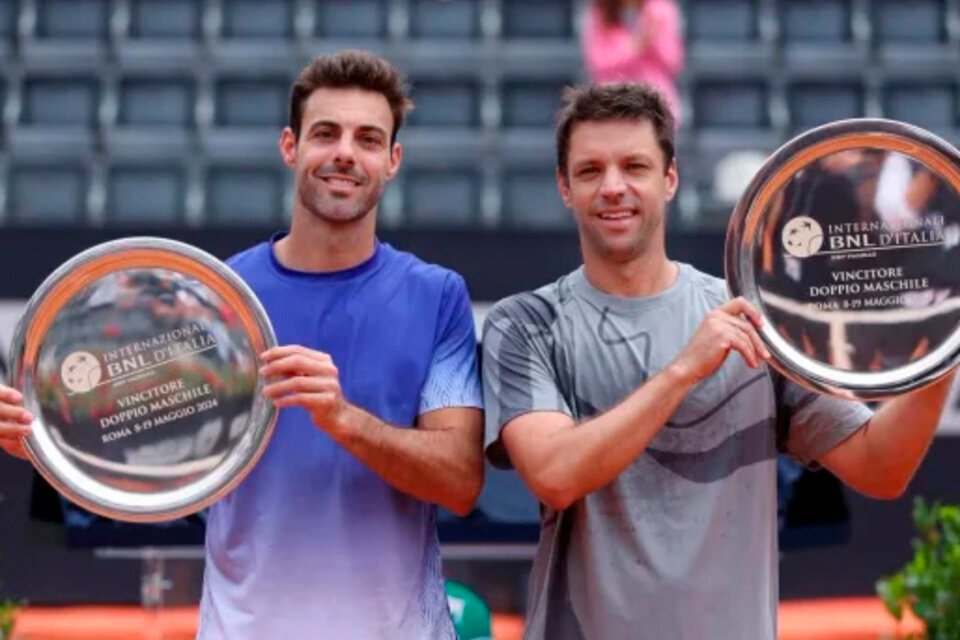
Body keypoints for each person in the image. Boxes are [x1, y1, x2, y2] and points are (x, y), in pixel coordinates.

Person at [0, 50, 485, 639]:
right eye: (325, 133)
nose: (344, 154)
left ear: (392, 160)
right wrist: (53, 439)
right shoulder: (212, 299)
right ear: (290, 147)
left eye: (367, 138)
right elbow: (147, 447)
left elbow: (460, 482)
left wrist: (343, 419)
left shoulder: (438, 297)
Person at [480, 82, 956, 640]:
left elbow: (882, 467)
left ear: (670, 178)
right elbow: (556, 476)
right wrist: (684, 370)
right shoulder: (526, 323)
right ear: (564, 186)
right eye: (590, 171)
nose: (613, 187)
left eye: (634, 166)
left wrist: (943, 336)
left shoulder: (761, 321)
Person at [582, 0, 684, 120]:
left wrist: (654, 39)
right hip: (613, 106)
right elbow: (598, 63)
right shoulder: (600, 12)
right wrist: (636, 46)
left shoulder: (661, 9)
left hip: (656, 106)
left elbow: (673, 62)